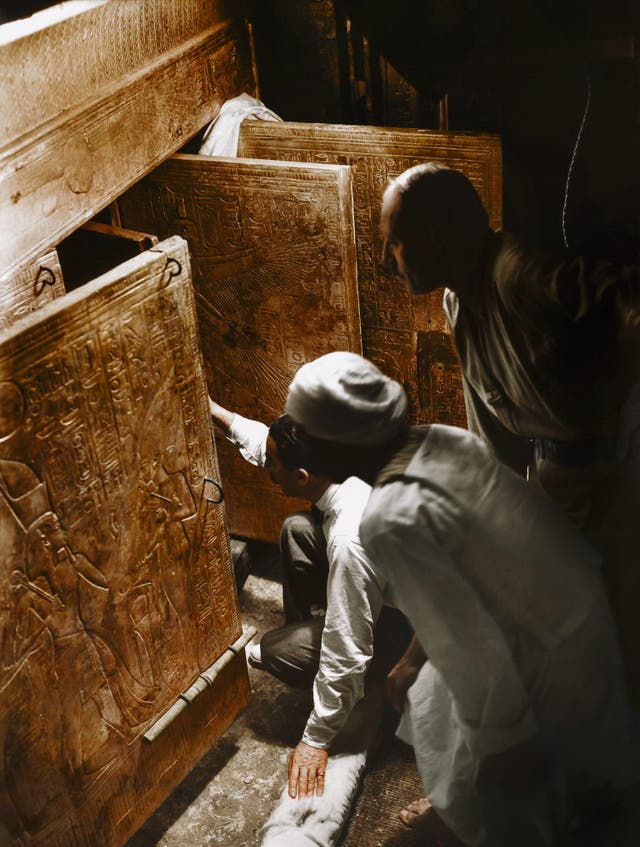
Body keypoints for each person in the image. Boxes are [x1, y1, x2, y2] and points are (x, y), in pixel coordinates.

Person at [283, 350, 637, 846]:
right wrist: (410, 660)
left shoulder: (390, 518)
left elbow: (477, 654)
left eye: (302, 432)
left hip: (540, 650)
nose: (296, 443)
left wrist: (503, 756)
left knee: (522, 806)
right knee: (426, 692)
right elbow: (464, 584)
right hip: (577, 603)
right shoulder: (440, 440)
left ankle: (480, 811)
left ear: (335, 443)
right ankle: (462, 801)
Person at [380, 161, 640, 703]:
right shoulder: (458, 304)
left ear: (436, 235)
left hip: (616, 492)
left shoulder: (518, 274)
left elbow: (627, 301)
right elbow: (493, 453)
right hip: (555, 490)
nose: (388, 261)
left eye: (396, 242)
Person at [208, 398, 412, 800]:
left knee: (276, 650)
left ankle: (360, 685)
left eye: (273, 466)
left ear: (302, 477)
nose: (269, 473)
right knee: (298, 529)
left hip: (419, 635)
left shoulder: (351, 540)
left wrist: (316, 740)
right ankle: (321, 636)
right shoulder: (341, 461)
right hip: (396, 591)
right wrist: (223, 417)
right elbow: (274, 443)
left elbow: (347, 649)